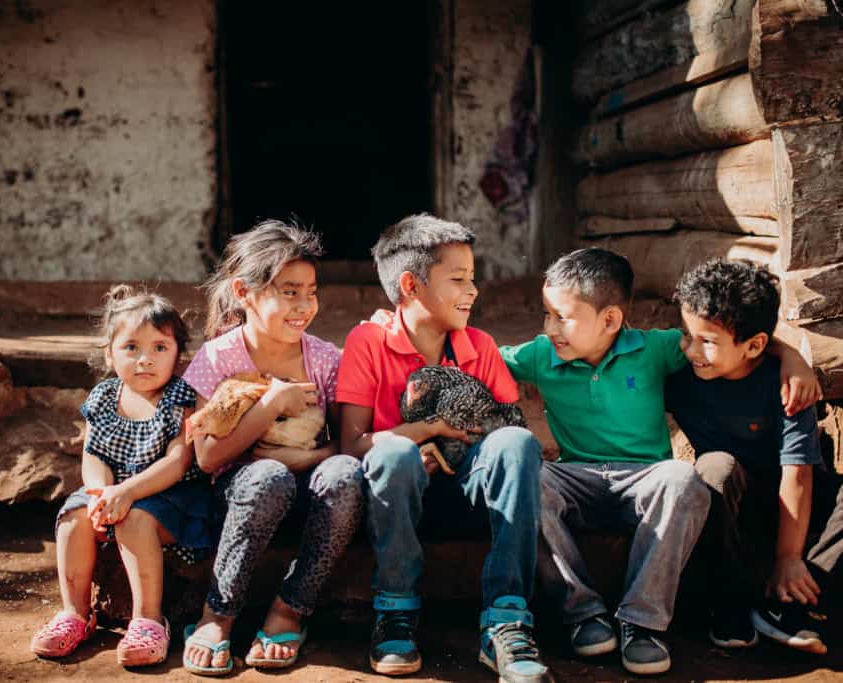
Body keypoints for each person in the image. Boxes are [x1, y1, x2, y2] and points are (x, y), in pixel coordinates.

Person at [500, 248, 820, 676]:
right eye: (547, 315)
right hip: (575, 475)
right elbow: (477, 357)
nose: (550, 328)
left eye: (563, 317)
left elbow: (731, 335)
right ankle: (584, 614)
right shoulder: (540, 354)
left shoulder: (658, 350)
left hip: (647, 478)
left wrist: (793, 356)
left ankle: (642, 622)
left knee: (683, 477)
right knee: (527, 478)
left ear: (610, 320)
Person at [338, 214, 552, 683]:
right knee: (392, 453)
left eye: (473, 279)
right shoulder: (368, 341)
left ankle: (506, 618)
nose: (472, 291)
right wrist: (425, 433)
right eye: (457, 280)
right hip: (393, 498)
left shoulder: (478, 344)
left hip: (469, 493)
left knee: (516, 443)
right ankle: (395, 610)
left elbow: (506, 428)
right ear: (411, 285)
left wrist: (447, 450)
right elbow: (352, 444)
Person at [180, 220, 363, 675]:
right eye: (289, 292)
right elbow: (205, 457)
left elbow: (345, 445)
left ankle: (289, 609)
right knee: (268, 477)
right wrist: (269, 406)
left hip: (314, 493)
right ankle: (216, 615)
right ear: (244, 292)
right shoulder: (220, 358)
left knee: (344, 475)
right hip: (247, 496)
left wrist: (305, 459)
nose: (304, 305)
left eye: (311, 291)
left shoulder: (323, 360)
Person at [667, 258, 841, 654]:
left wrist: (788, 557)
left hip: (791, 502)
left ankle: (791, 604)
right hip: (725, 504)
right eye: (686, 334)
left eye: (707, 341)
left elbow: (797, 474)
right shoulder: (680, 372)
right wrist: (790, 351)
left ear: (755, 344)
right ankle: (727, 604)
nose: (691, 349)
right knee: (715, 465)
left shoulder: (787, 388)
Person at [30, 285, 209, 667]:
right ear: (110, 353)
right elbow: (93, 454)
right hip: (112, 490)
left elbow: (178, 462)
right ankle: (74, 615)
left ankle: (147, 621)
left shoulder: (180, 398)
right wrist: (100, 493)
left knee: (134, 518)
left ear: (178, 354)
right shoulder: (103, 396)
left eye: (159, 348)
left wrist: (126, 493)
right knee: (73, 517)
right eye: (131, 348)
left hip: (168, 497)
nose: (145, 359)